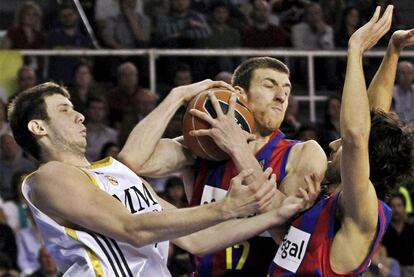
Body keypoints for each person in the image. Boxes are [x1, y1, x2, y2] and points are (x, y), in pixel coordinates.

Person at [8, 80, 314, 276]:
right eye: (64, 110)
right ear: (39, 128)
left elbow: (196, 240)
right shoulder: (48, 177)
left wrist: (275, 214)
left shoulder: (114, 173)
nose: (80, 116)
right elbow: (133, 229)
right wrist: (226, 208)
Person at [125, 61, 326, 275]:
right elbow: (133, 161)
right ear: (239, 94)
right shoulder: (203, 147)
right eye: (270, 86)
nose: (281, 96)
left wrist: (238, 148)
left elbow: (288, 229)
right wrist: (178, 95)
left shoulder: (303, 153)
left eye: (287, 90)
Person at [269, 6, 414, 275]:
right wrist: (393, 51)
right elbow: (370, 120)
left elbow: (357, 136)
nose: (334, 145)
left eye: (343, 147)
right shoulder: (331, 198)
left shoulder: (365, 208)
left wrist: (356, 50)